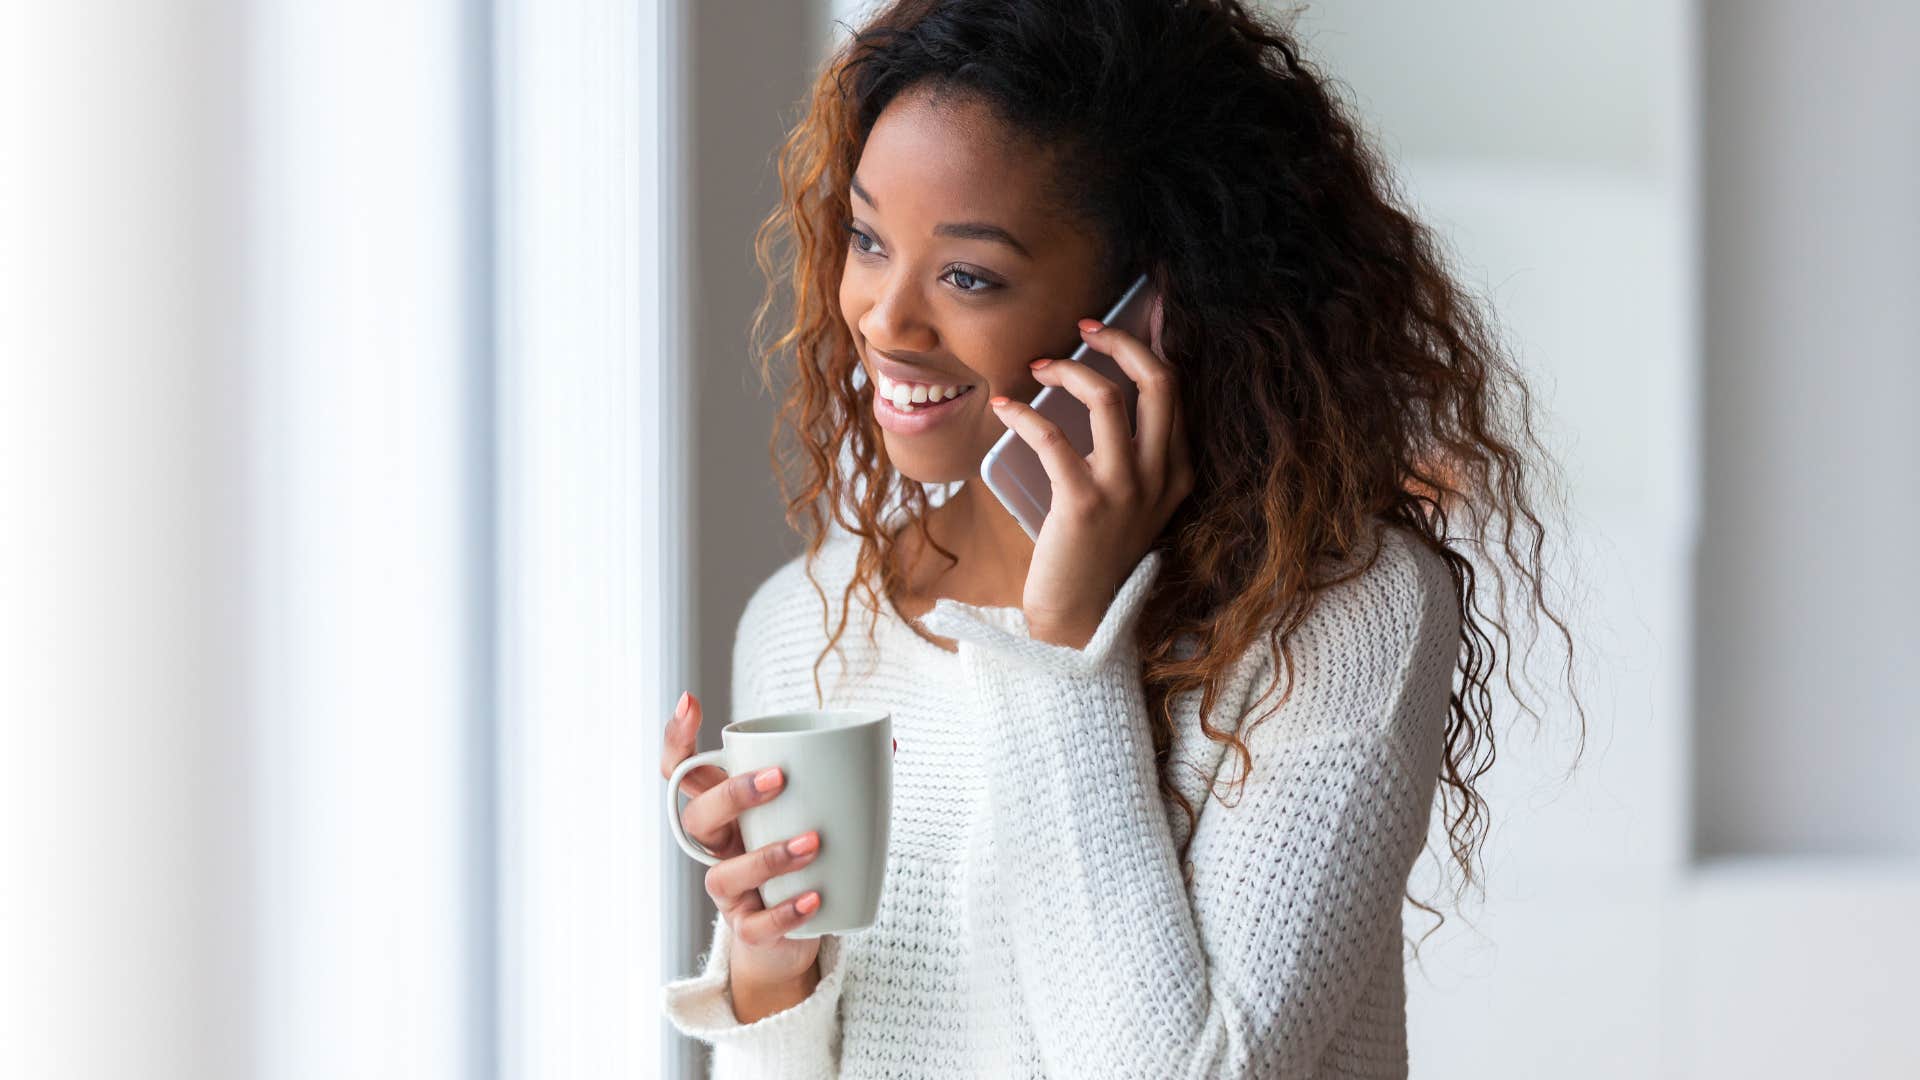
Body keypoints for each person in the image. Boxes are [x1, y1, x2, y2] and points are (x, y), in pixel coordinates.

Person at [660, 1, 1582, 1076]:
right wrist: (774, 965)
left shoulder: (1338, 618)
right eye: (868, 239)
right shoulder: (809, 622)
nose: (882, 321)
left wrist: (1063, 646)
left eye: (969, 276)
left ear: (1154, 307)